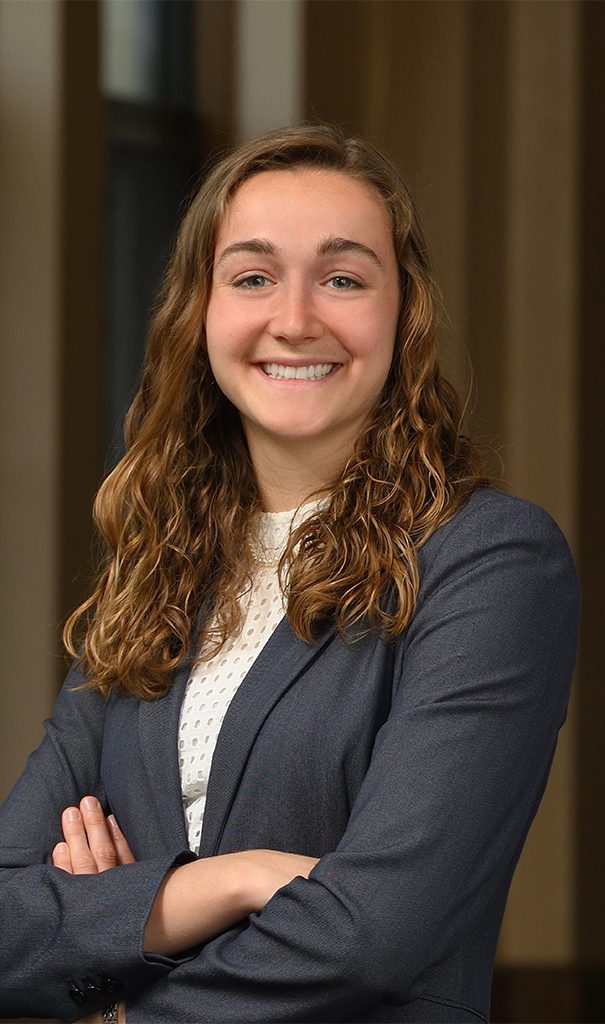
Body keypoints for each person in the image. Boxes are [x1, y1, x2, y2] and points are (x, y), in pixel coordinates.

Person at [0, 124, 579, 1024]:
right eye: (253, 277)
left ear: (403, 313)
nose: (296, 317)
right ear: (201, 313)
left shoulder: (489, 565)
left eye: (342, 278)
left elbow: (371, 934)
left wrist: (117, 966)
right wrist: (233, 882)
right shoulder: (157, 572)